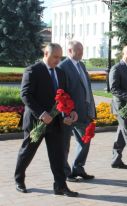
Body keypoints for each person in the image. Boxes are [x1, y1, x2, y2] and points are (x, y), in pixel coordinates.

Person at [14, 43, 78, 197]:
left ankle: (60, 186)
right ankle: (19, 180)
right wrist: (41, 114)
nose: (58, 60)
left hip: (56, 122)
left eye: (60, 57)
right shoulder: (33, 70)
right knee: (27, 152)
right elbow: (26, 95)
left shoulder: (61, 73)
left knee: (58, 155)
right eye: (55, 57)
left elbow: (65, 96)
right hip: (37, 122)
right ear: (46, 53)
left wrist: (71, 112)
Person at [59, 40, 96, 181]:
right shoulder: (63, 67)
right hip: (69, 113)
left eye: (82, 50)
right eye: (78, 50)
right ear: (69, 51)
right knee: (64, 145)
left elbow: (86, 88)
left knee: (85, 139)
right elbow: (62, 92)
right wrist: (67, 112)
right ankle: (66, 173)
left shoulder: (81, 65)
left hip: (84, 110)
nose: (81, 53)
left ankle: (78, 168)